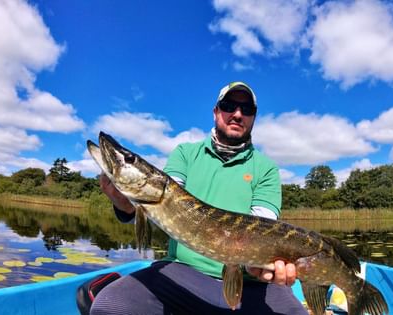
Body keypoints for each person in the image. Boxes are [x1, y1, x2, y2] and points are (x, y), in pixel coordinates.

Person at [90, 82, 308, 315]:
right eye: (229, 106)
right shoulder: (185, 153)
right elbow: (159, 209)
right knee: (109, 307)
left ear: (254, 118)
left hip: (250, 283)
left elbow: (260, 228)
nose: (237, 114)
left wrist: (260, 262)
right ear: (216, 112)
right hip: (183, 272)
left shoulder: (266, 169)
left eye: (246, 109)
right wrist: (126, 206)